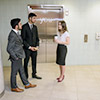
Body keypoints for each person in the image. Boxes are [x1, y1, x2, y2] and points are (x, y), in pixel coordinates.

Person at [7, 18, 37, 92]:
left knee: (22, 71)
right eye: (20, 24)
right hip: (16, 57)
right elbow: (9, 48)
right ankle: (14, 87)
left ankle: (26, 84)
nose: (21, 25)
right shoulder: (12, 35)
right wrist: (15, 57)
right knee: (14, 73)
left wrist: (30, 47)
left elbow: (22, 42)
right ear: (16, 26)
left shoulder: (17, 33)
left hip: (19, 56)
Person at [21, 13, 42, 79]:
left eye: (35, 18)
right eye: (34, 18)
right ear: (30, 18)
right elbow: (23, 39)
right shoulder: (24, 27)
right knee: (26, 62)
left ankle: (34, 74)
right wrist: (29, 47)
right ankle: (26, 76)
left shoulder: (35, 27)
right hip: (27, 49)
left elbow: (37, 38)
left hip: (34, 49)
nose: (35, 19)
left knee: (34, 62)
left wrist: (37, 46)